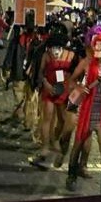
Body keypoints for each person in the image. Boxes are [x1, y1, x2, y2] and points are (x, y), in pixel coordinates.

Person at [65, 32, 101, 194]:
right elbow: (71, 80)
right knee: (78, 144)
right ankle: (71, 176)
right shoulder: (87, 63)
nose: (98, 47)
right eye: (97, 44)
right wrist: (79, 87)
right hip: (87, 109)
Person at [31, 33, 77, 169]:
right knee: (47, 118)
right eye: (53, 47)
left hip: (65, 90)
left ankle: (55, 140)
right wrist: (46, 84)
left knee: (63, 119)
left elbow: (76, 73)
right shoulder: (46, 55)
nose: (55, 50)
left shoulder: (71, 55)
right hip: (50, 89)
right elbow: (41, 72)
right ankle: (45, 147)